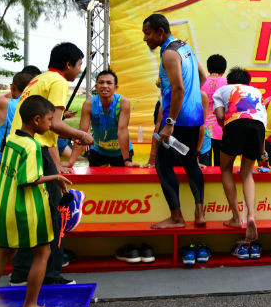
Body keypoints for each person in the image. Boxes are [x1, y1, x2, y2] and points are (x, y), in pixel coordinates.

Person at [9, 42, 94, 287]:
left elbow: (49, 131)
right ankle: (50, 275)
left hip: (21, 147)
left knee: (33, 213)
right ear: (68, 64)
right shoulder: (58, 81)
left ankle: (21, 274)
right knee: (55, 214)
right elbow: (55, 124)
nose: (79, 70)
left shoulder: (40, 79)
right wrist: (81, 135)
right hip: (35, 150)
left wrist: (57, 165)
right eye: (79, 65)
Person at [0, 95, 72, 307]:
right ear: (37, 120)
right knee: (43, 252)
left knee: (5, 253)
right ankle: (30, 306)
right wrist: (56, 177)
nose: (51, 124)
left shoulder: (12, 138)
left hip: (5, 204)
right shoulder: (32, 146)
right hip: (27, 208)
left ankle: (30, 304)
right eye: (50, 120)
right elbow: (28, 179)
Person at [142, 14, 206, 229]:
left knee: (163, 165)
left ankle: (177, 217)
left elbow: (178, 89)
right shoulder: (185, 47)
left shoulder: (169, 53)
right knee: (189, 162)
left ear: (160, 32)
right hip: (194, 118)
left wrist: (169, 123)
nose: (145, 38)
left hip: (176, 121)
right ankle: (199, 213)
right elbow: (202, 77)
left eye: (148, 33)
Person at [212, 67, 267, 242]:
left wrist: (228, 127)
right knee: (247, 173)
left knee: (226, 169)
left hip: (235, 124)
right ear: (247, 82)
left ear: (229, 81)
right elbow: (262, 120)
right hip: (258, 128)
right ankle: (251, 215)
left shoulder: (222, 90)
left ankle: (236, 217)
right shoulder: (257, 92)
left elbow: (220, 116)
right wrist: (262, 153)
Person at [67, 70, 138, 168]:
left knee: (122, 177)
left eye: (109, 83)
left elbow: (122, 131)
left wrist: (126, 161)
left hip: (121, 152)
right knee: (94, 178)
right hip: (98, 151)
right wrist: (71, 162)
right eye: (101, 82)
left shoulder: (123, 102)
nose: (105, 86)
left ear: (116, 88)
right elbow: (82, 133)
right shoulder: (89, 104)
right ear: (96, 87)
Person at [0, 72, 34, 166]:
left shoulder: (4, 103)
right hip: (24, 156)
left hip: (2, 157)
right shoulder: (36, 106)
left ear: (13, 87)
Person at [200, 54, 227, 166]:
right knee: (220, 166)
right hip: (221, 128)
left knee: (204, 165)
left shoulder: (200, 81)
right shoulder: (226, 83)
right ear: (224, 70)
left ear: (208, 68)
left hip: (202, 128)